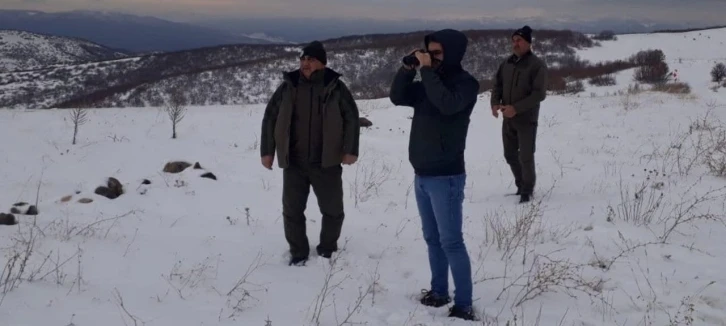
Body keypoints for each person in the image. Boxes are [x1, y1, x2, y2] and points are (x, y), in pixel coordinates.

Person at [389, 29, 478, 321]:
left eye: (437, 53)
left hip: (446, 175)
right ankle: (439, 292)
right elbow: (397, 97)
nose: (432, 57)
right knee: (432, 239)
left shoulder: (465, 84)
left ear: (452, 54)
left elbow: (446, 104)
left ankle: (463, 305)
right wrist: (407, 69)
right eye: (429, 52)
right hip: (422, 173)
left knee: (451, 241)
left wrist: (427, 72)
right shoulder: (429, 81)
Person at [260, 41, 360, 266]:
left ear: (322, 63)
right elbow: (270, 118)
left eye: (311, 59)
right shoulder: (289, 85)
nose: (305, 63)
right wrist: (268, 151)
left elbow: (351, 117)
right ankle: (298, 252)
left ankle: (327, 248)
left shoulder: (334, 86)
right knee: (292, 211)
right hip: (294, 162)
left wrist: (350, 150)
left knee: (333, 210)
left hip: (327, 161)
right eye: (303, 59)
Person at [490, 25, 548, 203]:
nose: (515, 44)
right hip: (508, 118)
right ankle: (520, 183)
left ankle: (527, 190)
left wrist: (516, 108)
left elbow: (539, 94)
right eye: (513, 40)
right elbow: (497, 84)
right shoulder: (506, 63)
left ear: (528, 43)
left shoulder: (537, 65)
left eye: (519, 40)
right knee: (509, 154)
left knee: (526, 156)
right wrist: (494, 103)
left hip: (526, 119)